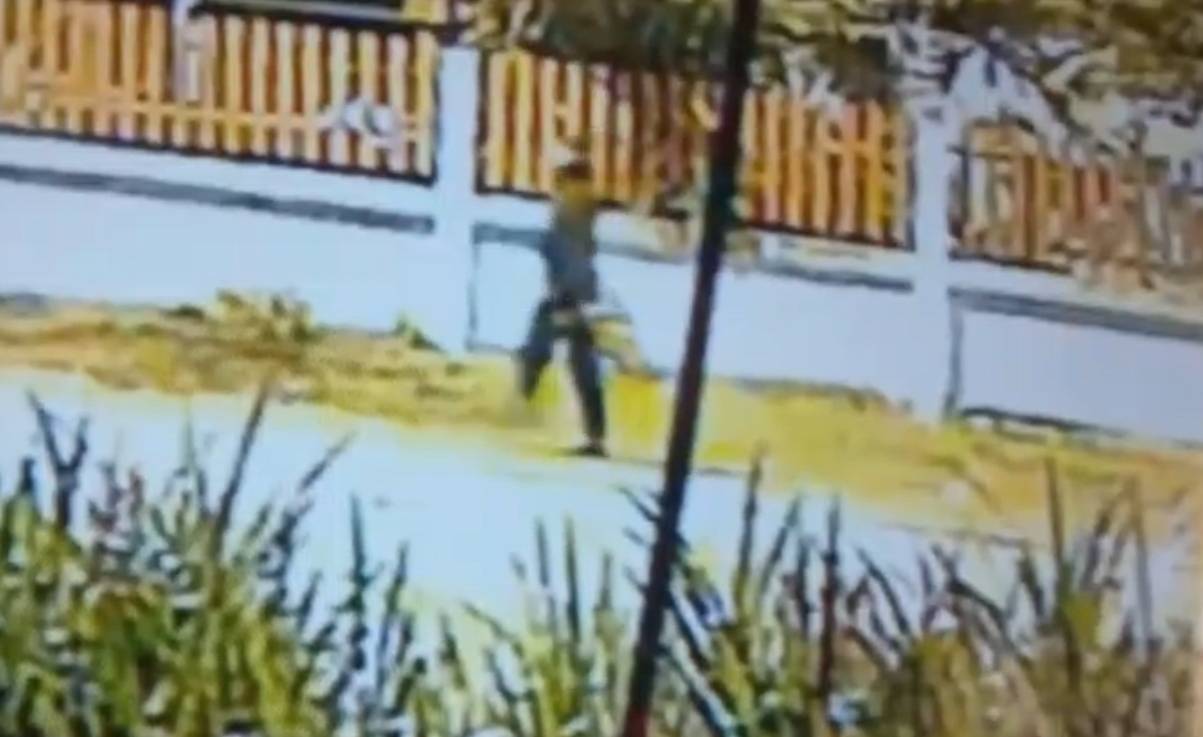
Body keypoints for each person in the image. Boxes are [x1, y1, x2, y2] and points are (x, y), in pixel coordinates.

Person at [514, 144, 608, 457]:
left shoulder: (570, 209)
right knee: (580, 362)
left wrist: (566, 295)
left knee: (544, 351)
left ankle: (519, 405)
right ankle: (595, 435)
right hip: (573, 293)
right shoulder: (578, 208)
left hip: (568, 294)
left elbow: (568, 253)